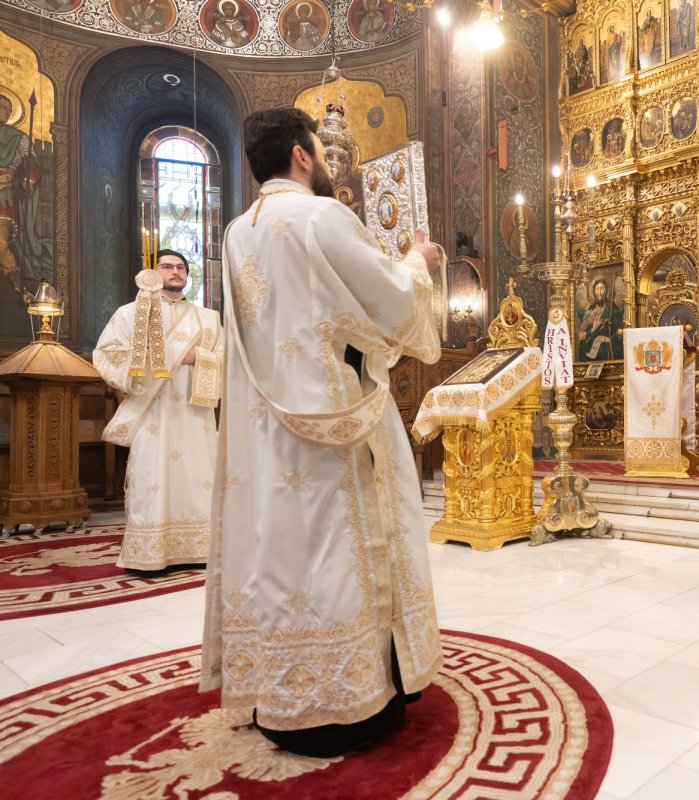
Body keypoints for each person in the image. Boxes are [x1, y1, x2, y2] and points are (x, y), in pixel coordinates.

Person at [200, 108, 444, 758]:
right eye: (320, 147)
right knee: (342, 551)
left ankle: (285, 694)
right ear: (302, 155)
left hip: (264, 433)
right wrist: (417, 261)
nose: (328, 163)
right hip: (336, 427)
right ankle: (350, 701)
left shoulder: (237, 232)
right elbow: (390, 303)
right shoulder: (321, 216)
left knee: (283, 552)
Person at [93, 249, 223, 571]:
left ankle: (199, 550)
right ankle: (149, 555)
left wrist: (198, 357)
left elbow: (226, 357)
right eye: (167, 266)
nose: (175, 272)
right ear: (153, 272)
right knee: (151, 475)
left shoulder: (208, 318)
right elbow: (107, 353)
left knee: (197, 477)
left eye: (181, 267)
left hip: (195, 413)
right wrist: (139, 364)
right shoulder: (130, 314)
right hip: (152, 410)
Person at [0, 93, 42, 293]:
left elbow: (34, 164)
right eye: (1, 107)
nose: (5, 112)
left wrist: (29, 179)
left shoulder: (19, 138)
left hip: (3, 196)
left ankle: (15, 277)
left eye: (8, 109)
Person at [578, 277, 622, 361]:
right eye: (597, 289)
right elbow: (580, 336)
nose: (599, 292)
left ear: (606, 291)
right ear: (594, 292)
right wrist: (593, 329)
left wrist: (608, 339)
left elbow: (621, 330)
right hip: (590, 356)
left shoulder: (612, 308)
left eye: (602, 289)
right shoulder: (590, 311)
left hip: (606, 353)